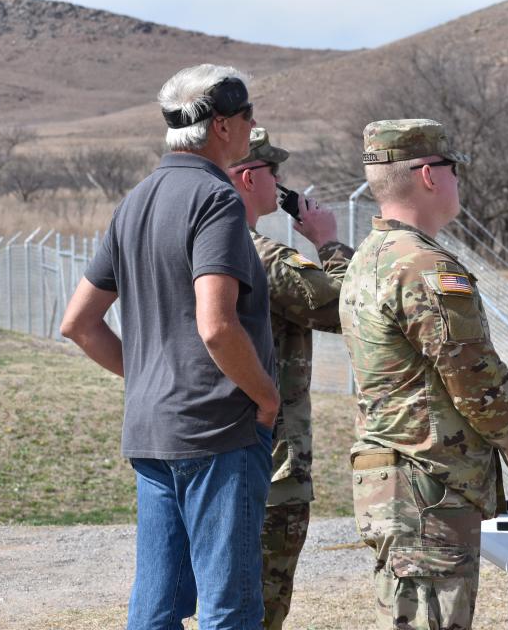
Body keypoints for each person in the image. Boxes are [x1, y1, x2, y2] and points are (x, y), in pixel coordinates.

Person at [340, 119, 508, 630]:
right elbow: (475, 380)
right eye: (453, 171)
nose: (457, 183)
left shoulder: (372, 257)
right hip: (428, 487)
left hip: (404, 482)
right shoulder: (423, 267)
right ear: (429, 176)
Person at [60, 64, 280, 629]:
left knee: (156, 605)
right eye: (249, 117)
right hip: (217, 430)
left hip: (152, 428)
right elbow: (216, 325)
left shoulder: (135, 200)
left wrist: (149, 380)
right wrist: (266, 398)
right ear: (223, 126)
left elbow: (79, 324)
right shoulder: (216, 198)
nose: (255, 127)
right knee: (229, 606)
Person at [226, 128, 354, 630]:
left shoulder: (195, 240)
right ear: (249, 176)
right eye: (274, 173)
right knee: (259, 606)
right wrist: (327, 241)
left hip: (221, 450)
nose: (280, 183)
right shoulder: (261, 254)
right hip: (271, 462)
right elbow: (346, 306)